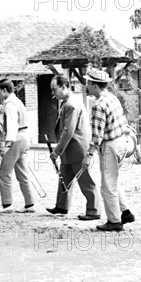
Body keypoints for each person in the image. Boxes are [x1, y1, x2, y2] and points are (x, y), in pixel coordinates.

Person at [81, 69, 135, 232]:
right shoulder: (112, 98)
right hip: (122, 142)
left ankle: (114, 221)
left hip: (110, 145)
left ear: (94, 85)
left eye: (88, 83)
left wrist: (88, 155)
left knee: (107, 186)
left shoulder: (98, 105)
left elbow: (96, 136)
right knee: (113, 180)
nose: (86, 86)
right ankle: (125, 212)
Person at [47, 75, 101, 220]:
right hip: (70, 149)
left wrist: (56, 151)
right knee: (65, 176)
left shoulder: (71, 104)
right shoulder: (68, 102)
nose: (53, 93)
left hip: (77, 148)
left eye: (54, 89)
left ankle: (93, 211)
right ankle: (61, 206)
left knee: (85, 180)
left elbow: (68, 131)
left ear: (64, 87)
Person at [0, 79, 36, 213]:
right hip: (25, 136)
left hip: (17, 138)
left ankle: (7, 205)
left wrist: (8, 143)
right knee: (22, 173)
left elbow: (12, 125)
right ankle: (30, 204)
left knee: (4, 173)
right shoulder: (18, 101)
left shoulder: (10, 104)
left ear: (4, 90)